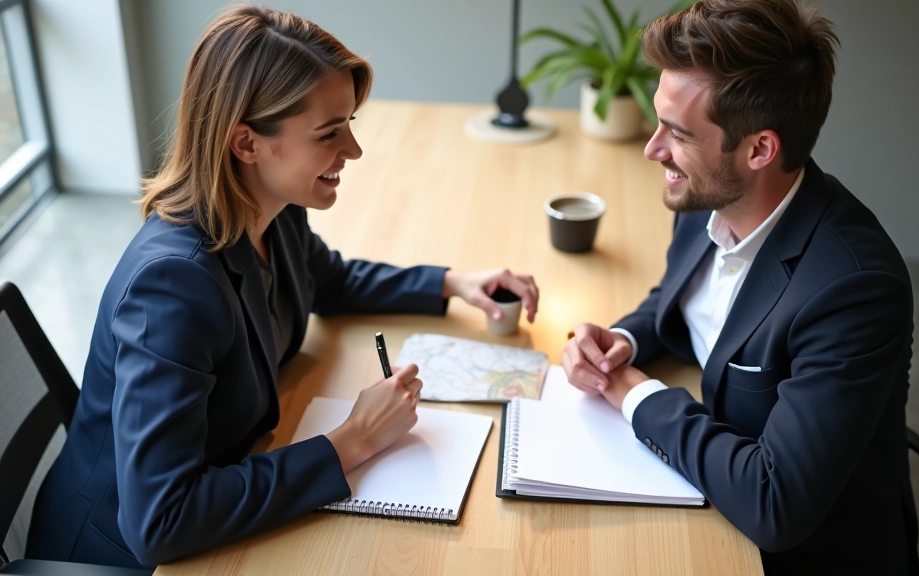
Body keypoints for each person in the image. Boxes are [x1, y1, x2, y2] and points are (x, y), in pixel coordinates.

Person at [25, 5, 539, 569]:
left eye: (349, 123)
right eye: (329, 132)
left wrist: (453, 283)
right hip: (116, 558)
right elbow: (160, 521)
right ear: (246, 144)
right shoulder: (171, 286)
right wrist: (354, 440)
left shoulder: (274, 209)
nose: (353, 149)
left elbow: (330, 282)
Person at [561, 1, 919, 574]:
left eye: (678, 134)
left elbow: (776, 504)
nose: (653, 148)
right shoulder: (709, 195)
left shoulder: (855, 290)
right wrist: (623, 342)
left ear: (759, 150)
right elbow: (685, 304)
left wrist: (631, 391)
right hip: (710, 485)